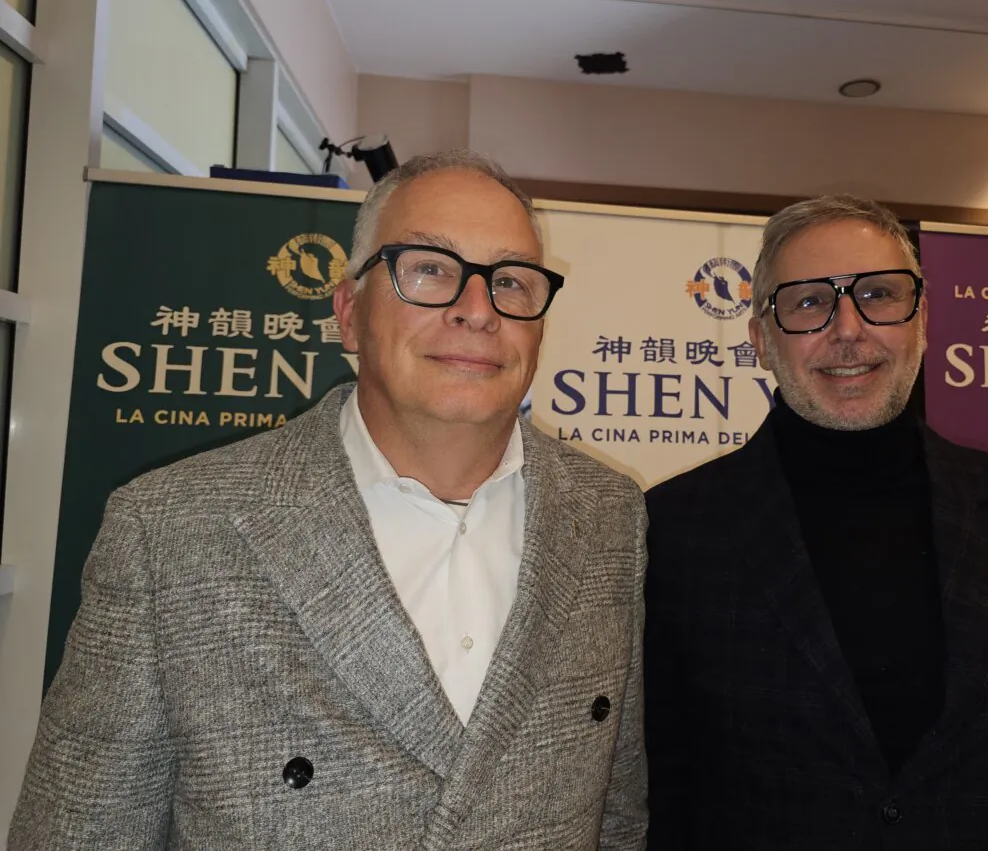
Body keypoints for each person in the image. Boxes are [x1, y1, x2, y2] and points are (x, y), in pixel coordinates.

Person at [10, 150, 648, 850]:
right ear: (349, 313)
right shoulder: (171, 531)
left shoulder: (611, 517)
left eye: (512, 282)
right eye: (429, 270)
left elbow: (617, 815)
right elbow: (77, 832)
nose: (476, 310)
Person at [643, 195, 988, 849]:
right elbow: (660, 792)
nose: (849, 328)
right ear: (761, 339)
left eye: (878, 294)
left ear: (923, 319)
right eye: (810, 301)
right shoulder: (677, 530)